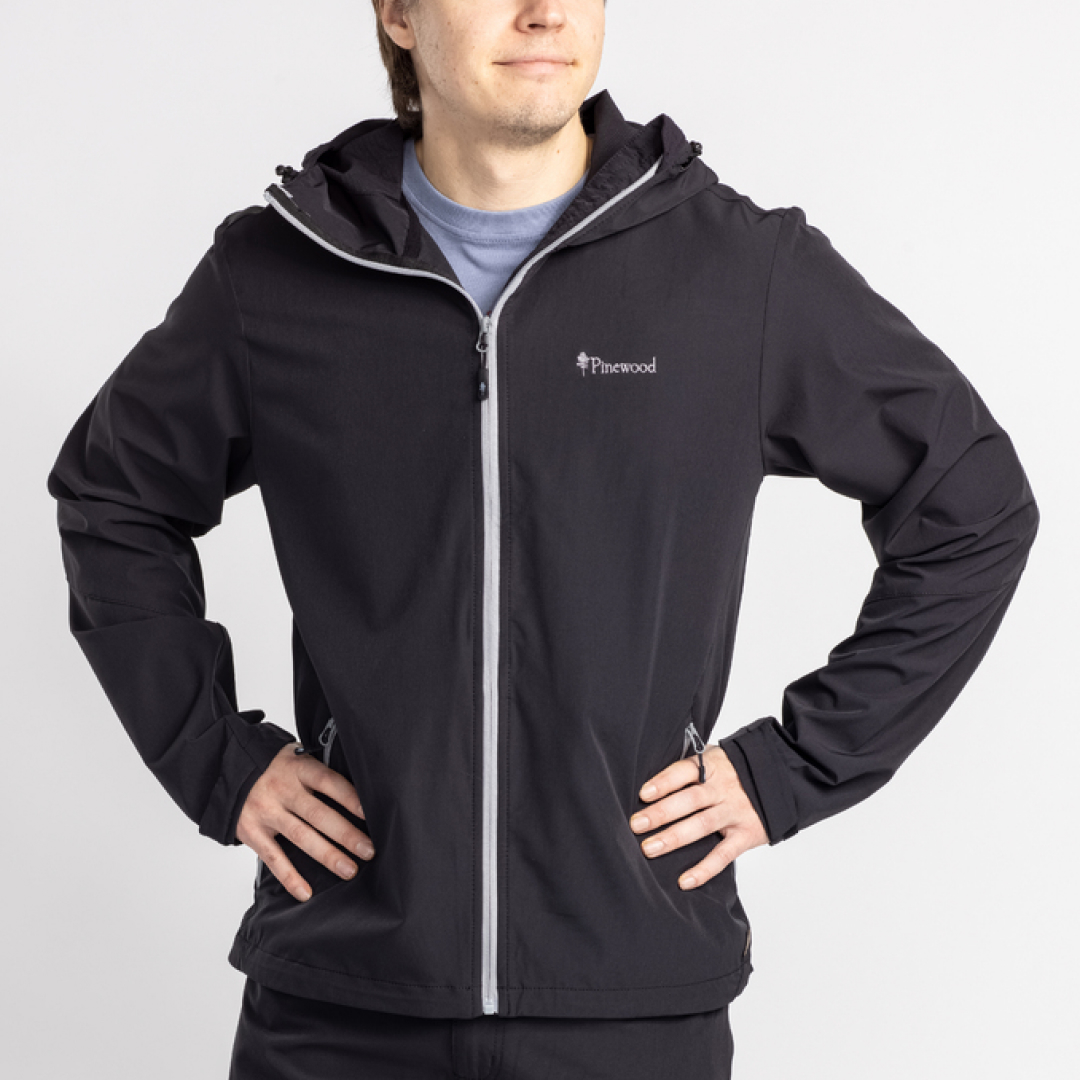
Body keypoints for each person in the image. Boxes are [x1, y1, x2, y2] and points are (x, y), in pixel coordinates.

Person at [45, 1, 1039, 1077]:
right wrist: (218, 761)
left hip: (631, 1004)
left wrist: (794, 768)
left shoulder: (736, 273)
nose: (545, 11)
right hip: (340, 1004)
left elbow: (972, 502)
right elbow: (114, 496)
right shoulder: (276, 276)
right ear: (398, 13)